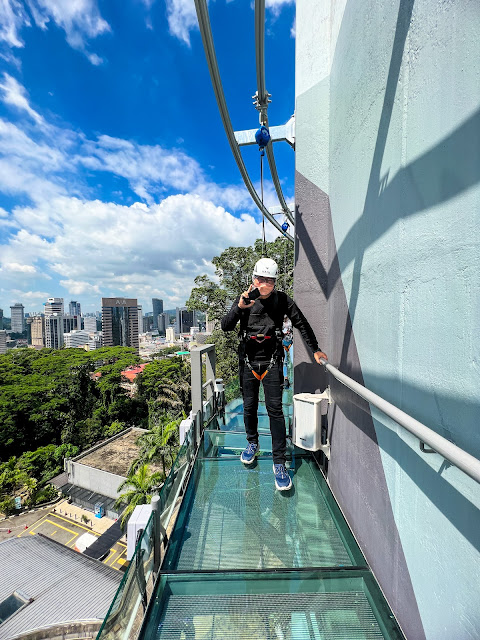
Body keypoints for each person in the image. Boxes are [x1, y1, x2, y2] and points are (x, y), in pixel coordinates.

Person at [221, 257, 328, 491]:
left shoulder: (282, 301)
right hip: (248, 362)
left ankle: (279, 462)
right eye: (260, 279)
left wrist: (315, 349)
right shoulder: (246, 299)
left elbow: (301, 323)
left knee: (275, 411)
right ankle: (252, 443)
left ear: (275, 281)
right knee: (248, 407)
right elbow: (225, 326)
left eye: (269, 280)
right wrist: (240, 307)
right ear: (253, 279)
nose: (264, 284)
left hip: (272, 361)